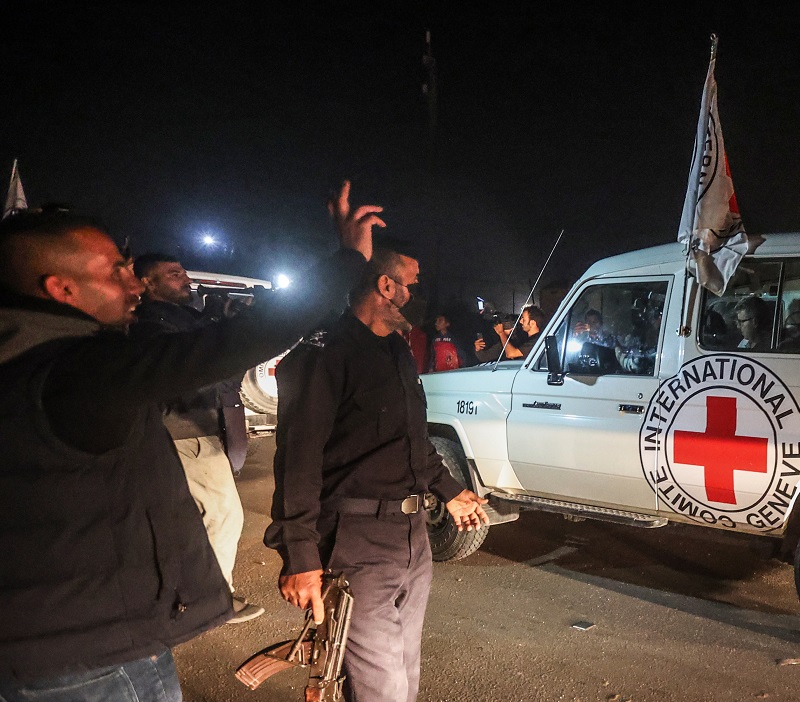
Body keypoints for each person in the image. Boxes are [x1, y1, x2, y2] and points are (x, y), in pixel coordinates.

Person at [0, 181, 376, 701]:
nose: (134, 287)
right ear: (61, 289)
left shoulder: (23, 354)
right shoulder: (79, 371)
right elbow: (244, 337)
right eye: (116, 272)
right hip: (92, 658)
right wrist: (348, 258)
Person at [265, 236, 490, 701]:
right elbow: (297, 461)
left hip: (411, 539)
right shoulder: (326, 353)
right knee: (380, 688)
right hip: (356, 542)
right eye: (414, 283)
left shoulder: (397, 352)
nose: (421, 294)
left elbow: (410, 442)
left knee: (404, 677)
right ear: (387, 286)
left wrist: (450, 490)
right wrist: (300, 556)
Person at [131, 252, 263, 625]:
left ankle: (185, 596)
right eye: (173, 274)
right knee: (224, 514)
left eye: (184, 273)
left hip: (193, 427)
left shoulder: (183, 320)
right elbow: (201, 372)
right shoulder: (152, 325)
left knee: (188, 519)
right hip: (185, 430)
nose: (185, 279)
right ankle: (212, 599)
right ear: (147, 284)